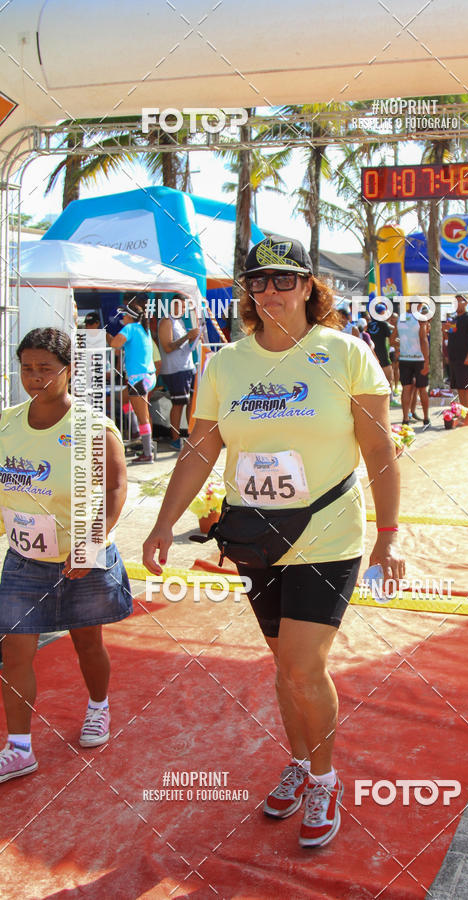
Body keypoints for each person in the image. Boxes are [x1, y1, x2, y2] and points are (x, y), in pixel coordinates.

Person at [142, 235, 404, 849]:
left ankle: (324, 777)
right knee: (284, 672)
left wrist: (388, 537)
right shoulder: (225, 363)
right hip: (255, 536)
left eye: (285, 281)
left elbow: (379, 449)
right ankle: (300, 759)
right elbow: (202, 448)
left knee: (302, 666)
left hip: (327, 532)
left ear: (310, 286)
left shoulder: (345, 354)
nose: (270, 293)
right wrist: (161, 523)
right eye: (258, 282)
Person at [0, 328, 131, 783]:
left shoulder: (91, 428)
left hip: (81, 557)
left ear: (68, 370)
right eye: (27, 368)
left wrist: (90, 544)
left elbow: (114, 487)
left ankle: (99, 707)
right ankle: (18, 747)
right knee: (14, 652)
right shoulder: (6, 423)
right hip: (23, 561)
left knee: (87, 644)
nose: (34, 378)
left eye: (45, 368)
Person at [107, 294, 156, 464]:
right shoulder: (144, 329)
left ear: (130, 317)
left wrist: (106, 335)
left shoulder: (130, 328)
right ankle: (137, 435)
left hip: (139, 378)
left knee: (143, 417)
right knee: (125, 400)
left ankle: (147, 453)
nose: (122, 318)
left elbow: (114, 344)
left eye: (124, 315)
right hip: (148, 377)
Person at [158, 294, 199, 451]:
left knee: (190, 402)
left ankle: (190, 435)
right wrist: (187, 337)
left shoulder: (179, 321)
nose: (182, 309)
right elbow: (168, 347)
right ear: (171, 305)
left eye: (184, 307)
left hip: (187, 367)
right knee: (179, 403)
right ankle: (175, 439)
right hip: (175, 369)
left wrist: (192, 339)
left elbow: (182, 344)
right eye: (179, 306)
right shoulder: (167, 321)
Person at [394, 305, 430, 428]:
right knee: (422, 389)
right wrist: (426, 361)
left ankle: (405, 419)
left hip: (404, 358)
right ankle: (426, 418)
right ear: (419, 305)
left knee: (406, 389)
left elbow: (393, 338)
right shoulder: (421, 317)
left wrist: (402, 346)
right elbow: (423, 339)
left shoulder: (401, 318)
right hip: (418, 358)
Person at [447, 295, 468, 425]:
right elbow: (452, 334)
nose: (456, 303)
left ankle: (467, 419)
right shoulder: (454, 319)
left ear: (465, 303)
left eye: (459, 301)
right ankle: (462, 416)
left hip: (466, 358)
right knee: (459, 388)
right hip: (454, 358)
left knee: (467, 388)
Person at [366, 304, 395, 398]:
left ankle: (376, 398)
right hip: (383, 355)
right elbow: (391, 339)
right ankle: (390, 399)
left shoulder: (369, 325)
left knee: (374, 380)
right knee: (389, 379)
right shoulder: (383, 324)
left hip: (371, 355)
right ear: (381, 313)